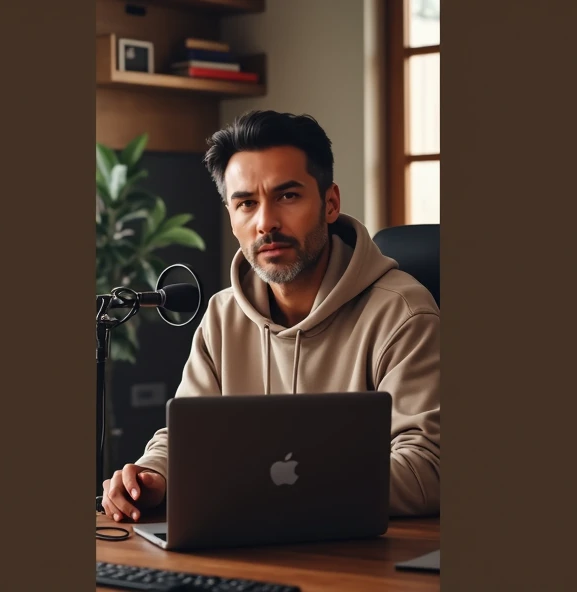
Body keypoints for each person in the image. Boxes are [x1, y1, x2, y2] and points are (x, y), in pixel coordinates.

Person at [101, 110, 439, 522]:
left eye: (287, 196)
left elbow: (426, 470)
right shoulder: (224, 314)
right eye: (246, 203)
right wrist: (154, 476)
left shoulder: (402, 312)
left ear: (330, 204)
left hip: (358, 559)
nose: (266, 223)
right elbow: (188, 437)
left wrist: (270, 486)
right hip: (245, 543)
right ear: (231, 216)